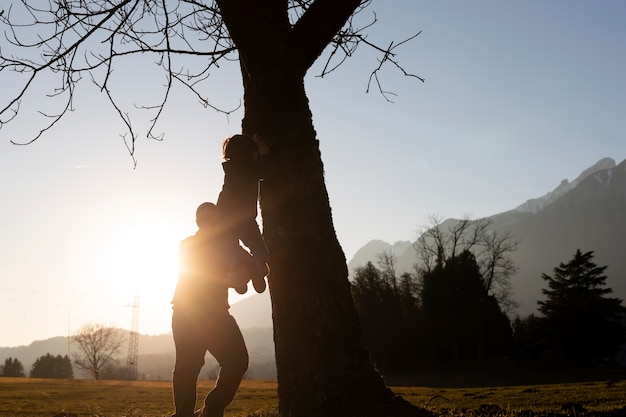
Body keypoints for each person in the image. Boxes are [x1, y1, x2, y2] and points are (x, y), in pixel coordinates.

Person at [171, 202, 249, 417]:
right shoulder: (187, 245)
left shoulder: (228, 248)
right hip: (188, 313)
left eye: (214, 219)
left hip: (217, 315)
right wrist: (228, 281)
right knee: (188, 366)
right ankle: (184, 415)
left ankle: (210, 411)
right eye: (206, 220)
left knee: (238, 361)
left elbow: (243, 277)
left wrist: (244, 274)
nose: (211, 224)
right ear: (198, 223)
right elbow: (195, 276)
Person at [217, 134, 269, 294]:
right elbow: (264, 171)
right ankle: (255, 265)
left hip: (223, 217)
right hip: (244, 217)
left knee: (231, 250)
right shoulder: (249, 167)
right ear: (249, 152)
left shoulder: (231, 169)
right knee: (260, 249)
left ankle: (236, 269)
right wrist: (263, 153)